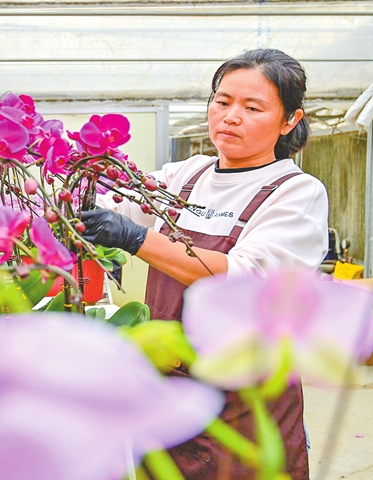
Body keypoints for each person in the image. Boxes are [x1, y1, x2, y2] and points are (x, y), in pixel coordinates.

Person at [81, 49, 328, 480]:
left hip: (242, 400)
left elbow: (245, 277)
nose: (231, 116)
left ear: (289, 120)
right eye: (223, 101)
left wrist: (135, 238)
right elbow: (112, 199)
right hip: (168, 391)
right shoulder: (186, 175)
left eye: (253, 108)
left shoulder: (296, 192)